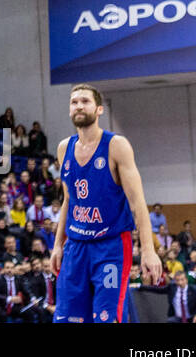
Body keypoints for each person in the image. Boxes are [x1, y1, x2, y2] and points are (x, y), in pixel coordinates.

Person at [51, 83, 162, 322]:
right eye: (74, 102)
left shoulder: (116, 145)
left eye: (85, 101)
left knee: (106, 318)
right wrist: (58, 244)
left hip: (110, 246)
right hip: (76, 246)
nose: (79, 106)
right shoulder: (64, 148)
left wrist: (149, 251)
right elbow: (68, 200)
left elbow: (137, 203)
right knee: (66, 319)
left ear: (99, 109)